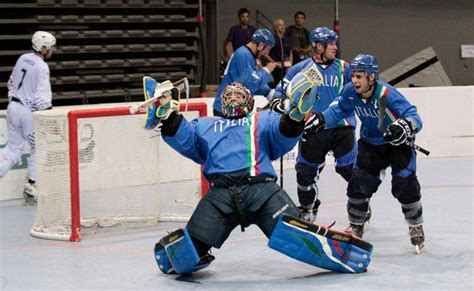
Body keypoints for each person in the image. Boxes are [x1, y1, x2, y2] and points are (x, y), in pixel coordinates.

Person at [141, 72, 373, 275]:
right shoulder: (206, 125)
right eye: (229, 96)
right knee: (191, 248)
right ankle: (188, 252)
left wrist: (295, 115)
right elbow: (186, 140)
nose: (233, 98)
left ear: (249, 101)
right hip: (220, 196)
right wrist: (168, 116)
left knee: (294, 231)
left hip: (261, 191)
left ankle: (341, 250)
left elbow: (283, 136)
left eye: (238, 96)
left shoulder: (262, 119)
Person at [306, 54, 426, 254]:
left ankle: (415, 224)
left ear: (371, 77)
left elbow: (414, 116)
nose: (354, 80)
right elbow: (337, 111)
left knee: (405, 185)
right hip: (371, 144)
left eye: (359, 76)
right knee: (358, 184)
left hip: (398, 145)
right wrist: (320, 120)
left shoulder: (387, 93)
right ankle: (356, 225)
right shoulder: (350, 92)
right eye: (353, 75)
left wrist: (403, 126)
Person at [269, 27, 359, 224]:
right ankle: (308, 208)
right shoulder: (301, 68)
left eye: (336, 43)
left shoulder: (345, 68)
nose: (336, 47)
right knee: (305, 172)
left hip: (341, 126)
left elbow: (362, 89)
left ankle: (361, 205)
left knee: (349, 169)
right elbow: (279, 89)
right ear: (319, 46)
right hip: (312, 127)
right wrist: (277, 100)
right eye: (331, 44)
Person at [0, 31, 56, 205]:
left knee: (12, 148)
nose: (52, 50)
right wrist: (48, 115)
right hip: (27, 112)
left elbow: (11, 82)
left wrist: (14, 99)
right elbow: (42, 97)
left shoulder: (22, 58)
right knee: (39, 147)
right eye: (50, 47)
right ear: (43, 48)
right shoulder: (42, 67)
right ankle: (31, 185)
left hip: (13, 107)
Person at [214, 28, 277, 117]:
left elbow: (252, 81)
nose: (266, 53)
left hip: (233, 107)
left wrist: (270, 93)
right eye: (267, 49)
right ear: (260, 45)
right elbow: (249, 83)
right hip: (227, 108)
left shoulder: (247, 55)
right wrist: (266, 71)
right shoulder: (243, 54)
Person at [262, 19, 293, 87]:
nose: (282, 27)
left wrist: (290, 65)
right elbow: (265, 53)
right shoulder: (273, 39)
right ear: (276, 28)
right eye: (280, 25)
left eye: (283, 25)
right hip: (276, 69)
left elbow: (290, 53)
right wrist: (275, 63)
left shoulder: (287, 39)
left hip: (286, 67)